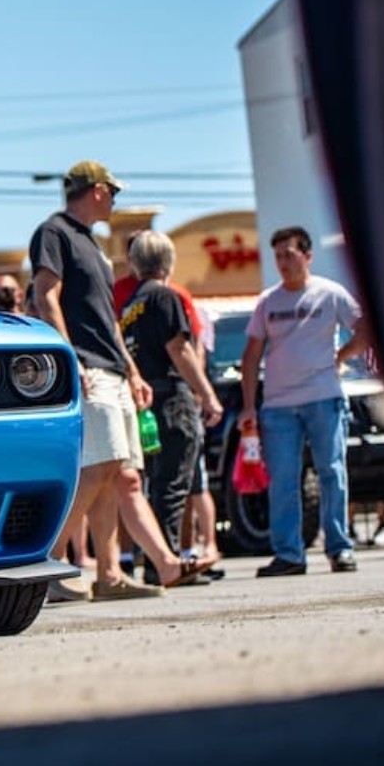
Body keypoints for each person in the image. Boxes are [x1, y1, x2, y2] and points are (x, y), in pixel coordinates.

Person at [30, 160, 162, 601]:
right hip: (86, 367)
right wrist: (69, 359)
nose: (116, 200)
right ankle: (41, 564)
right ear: (99, 191)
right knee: (100, 465)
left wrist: (134, 371)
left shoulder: (95, 245)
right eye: (114, 192)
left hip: (114, 369)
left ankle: (109, 575)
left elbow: (107, 320)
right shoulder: (54, 233)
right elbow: (45, 295)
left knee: (116, 471)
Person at [239, 226, 368, 576]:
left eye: (289, 254)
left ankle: (339, 549)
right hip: (278, 407)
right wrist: (249, 406)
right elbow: (251, 355)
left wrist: (343, 355)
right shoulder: (269, 301)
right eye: (278, 256)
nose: (283, 262)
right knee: (283, 479)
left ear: (307, 257)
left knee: (332, 472)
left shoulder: (330, 293)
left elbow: (364, 327)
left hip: (323, 398)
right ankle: (289, 555)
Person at [119, 230, 225, 559]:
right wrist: (207, 394)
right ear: (169, 262)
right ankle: (167, 560)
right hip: (171, 398)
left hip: (146, 401)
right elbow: (179, 349)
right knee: (174, 485)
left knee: (157, 483)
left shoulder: (131, 304)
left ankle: (157, 559)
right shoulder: (165, 297)